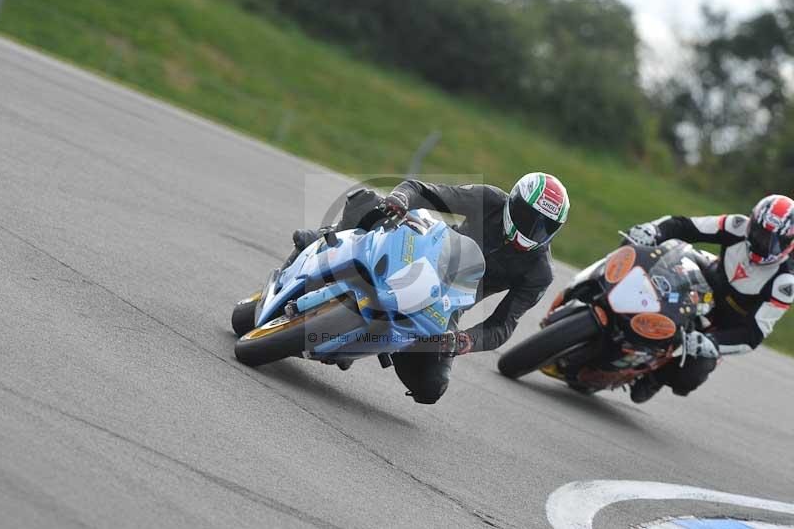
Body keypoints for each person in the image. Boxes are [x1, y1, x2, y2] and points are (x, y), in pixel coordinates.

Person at [287, 173, 570, 403]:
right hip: (422, 252)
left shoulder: (539, 272)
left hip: (447, 304)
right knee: (369, 201)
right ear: (514, 201)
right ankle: (322, 242)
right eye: (527, 216)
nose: (533, 231)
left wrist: (465, 340)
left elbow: (504, 325)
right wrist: (401, 198)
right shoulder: (489, 199)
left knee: (431, 388)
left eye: (544, 226)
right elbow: (423, 190)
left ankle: (360, 347)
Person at [626, 195, 794, 403]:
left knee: (696, 370)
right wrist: (652, 230)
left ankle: (656, 378)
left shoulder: (785, 282)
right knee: (656, 256)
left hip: (727, 323)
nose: (760, 241)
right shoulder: (737, 225)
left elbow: (753, 334)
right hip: (707, 281)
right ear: (752, 221)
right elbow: (686, 226)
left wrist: (713, 342)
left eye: (770, 240)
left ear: (788, 242)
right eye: (758, 232)